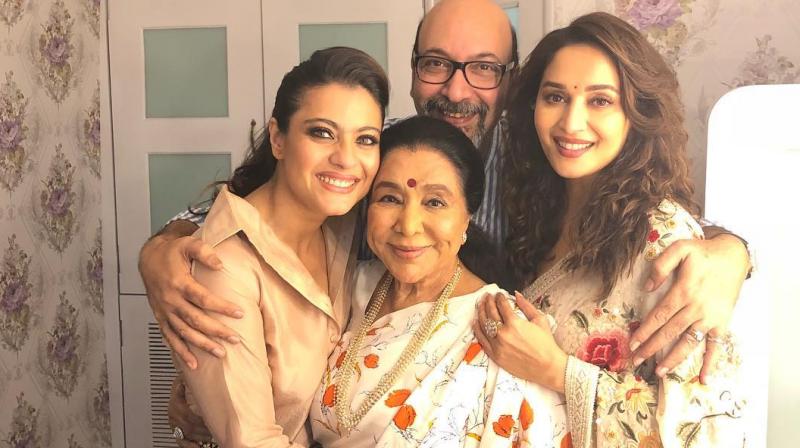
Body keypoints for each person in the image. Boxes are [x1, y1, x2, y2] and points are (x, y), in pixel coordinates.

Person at [474, 13, 746, 448]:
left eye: (599, 100)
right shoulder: (533, 211)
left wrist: (558, 372)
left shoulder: (665, 238)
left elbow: (711, 431)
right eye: (555, 97)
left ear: (637, 114)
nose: (570, 123)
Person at [170, 47, 389, 447]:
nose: (346, 159)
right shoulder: (224, 265)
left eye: (366, 139)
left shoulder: (344, 226)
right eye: (322, 132)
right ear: (278, 139)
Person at [310, 115, 571, 447]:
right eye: (390, 198)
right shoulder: (343, 289)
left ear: (468, 216)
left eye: (435, 202)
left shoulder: (501, 330)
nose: (409, 225)